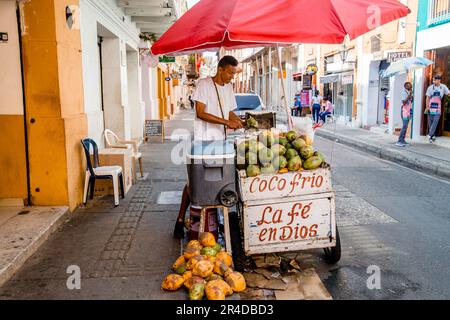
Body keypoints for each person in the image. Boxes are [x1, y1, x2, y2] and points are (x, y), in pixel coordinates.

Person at [174, 56, 244, 239]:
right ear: (220, 69)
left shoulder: (228, 88)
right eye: (230, 72)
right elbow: (200, 112)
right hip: (203, 140)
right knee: (195, 182)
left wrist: (239, 121)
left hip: (221, 141)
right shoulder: (204, 84)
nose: (231, 76)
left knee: (215, 180)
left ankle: (212, 217)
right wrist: (227, 122)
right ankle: (180, 219)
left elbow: (229, 111)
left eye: (234, 73)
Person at [425, 75, 450, 143]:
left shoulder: (443, 87)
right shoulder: (430, 87)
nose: (433, 81)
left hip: (438, 107)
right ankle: (432, 137)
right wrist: (427, 107)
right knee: (430, 123)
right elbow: (427, 97)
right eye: (433, 80)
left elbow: (448, 93)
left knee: (435, 121)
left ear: (439, 80)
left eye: (434, 80)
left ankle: (430, 134)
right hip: (430, 107)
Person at [396, 82, 414, 147]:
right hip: (404, 111)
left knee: (406, 126)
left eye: (410, 85)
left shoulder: (409, 92)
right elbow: (404, 102)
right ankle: (399, 141)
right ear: (405, 86)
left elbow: (411, 101)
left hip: (408, 111)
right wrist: (409, 96)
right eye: (408, 85)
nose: (410, 86)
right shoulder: (404, 92)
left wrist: (411, 96)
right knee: (404, 126)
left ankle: (402, 140)